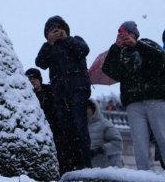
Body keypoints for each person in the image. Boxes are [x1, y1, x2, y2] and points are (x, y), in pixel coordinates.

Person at [102, 20, 165, 171]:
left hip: (154, 98)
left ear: (135, 34)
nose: (125, 37)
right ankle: (144, 174)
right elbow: (108, 69)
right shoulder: (119, 53)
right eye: (121, 34)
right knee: (139, 142)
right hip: (133, 102)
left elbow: (160, 59)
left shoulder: (147, 44)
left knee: (163, 136)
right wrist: (116, 47)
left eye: (128, 33)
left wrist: (137, 45)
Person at [35, 15, 92, 173]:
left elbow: (84, 50)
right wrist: (49, 43)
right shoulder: (49, 48)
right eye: (52, 30)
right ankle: (71, 164)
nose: (56, 31)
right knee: (65, 130)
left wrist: (67, 39)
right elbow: (40, 63)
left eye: (59, 28)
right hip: (59, 94)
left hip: (77, 89)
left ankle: (85, 164)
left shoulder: (75, 40)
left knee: (80, 126)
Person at [25, 67, 64, 162]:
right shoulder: (26, 96)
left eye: (34, 78)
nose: (32, 81)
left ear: (39, 79)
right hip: (38, 130)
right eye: (29, 79)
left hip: (56, 126)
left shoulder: (51, 91)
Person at [86, 99, 123, 168]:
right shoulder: (82, 127)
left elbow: (118, 143)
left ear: (94, 109)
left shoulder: (105, 124)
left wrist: (100, 150)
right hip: (92, 169)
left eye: (88, 108)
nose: (85, 110)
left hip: (108, 168)